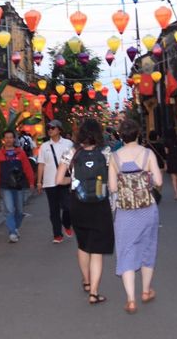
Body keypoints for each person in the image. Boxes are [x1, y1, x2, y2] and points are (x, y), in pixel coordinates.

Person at [55, 118, 114, 305]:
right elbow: (112, 185)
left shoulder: (71, 152)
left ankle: (87, 281)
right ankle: (94, 293)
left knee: (83, 245)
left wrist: (73, 183)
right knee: (97, 250)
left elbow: (58, 180)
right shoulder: (106, 153)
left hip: (78, 204)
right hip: (100, 204)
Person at [108, 119, 163, 314]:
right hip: (147, 209)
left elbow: (113, 188)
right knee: (148, 247)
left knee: (126, 250)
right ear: (138, 134)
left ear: (121, 136)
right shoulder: (147, 154)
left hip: (125, 212)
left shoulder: (114, 158)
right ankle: (146, 291)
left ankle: (131, 299)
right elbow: (158, 181)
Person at [0, 130, 35, 243]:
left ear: (14, 139)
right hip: (5, 185)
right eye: (6, 137)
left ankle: (15, 227)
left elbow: (27, 168)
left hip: (19, 185)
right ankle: (12, 232)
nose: (8, 140)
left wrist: (31, 182)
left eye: (11, 137)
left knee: (20, 211)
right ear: (3, 139)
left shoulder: (20, 153)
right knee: (10, 209)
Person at [36, 119, 74, 243]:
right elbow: (41, 164)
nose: (50, 130)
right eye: (48, 128)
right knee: (54, 210)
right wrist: (39, 181)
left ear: (59, 129)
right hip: (49, 182)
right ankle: (57, 234)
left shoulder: (68, 143)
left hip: (64, 180)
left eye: (52, 128)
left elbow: (74, 161)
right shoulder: (44, 146)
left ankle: (67, 224)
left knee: (67, 207)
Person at [165, 129, 177, 200]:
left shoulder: (167, 141)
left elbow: (166, 152)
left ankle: (176, 194)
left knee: (173, 178)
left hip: (171, 159)